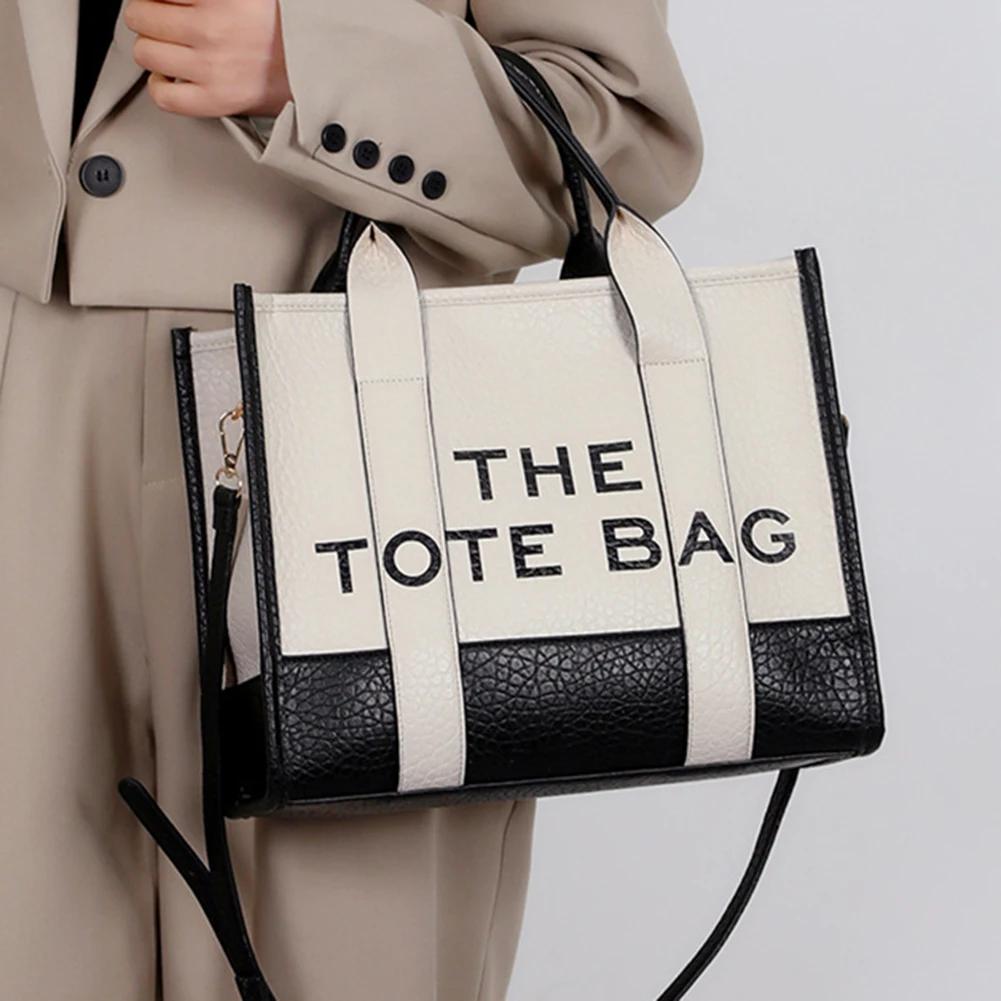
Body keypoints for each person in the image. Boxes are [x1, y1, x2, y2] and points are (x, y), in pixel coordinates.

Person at [0, 1, 702, 998]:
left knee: (335, 957)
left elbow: (624, 130)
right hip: (28, 394)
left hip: (354, 408)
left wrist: (318, 65)